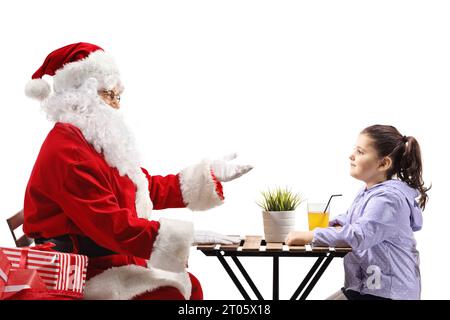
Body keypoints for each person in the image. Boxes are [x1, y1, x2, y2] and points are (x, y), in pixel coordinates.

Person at [23, 42, 252, 300]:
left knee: (189, 286)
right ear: (82, 96)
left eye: (117, 96)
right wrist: (185, 237)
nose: (116, 105)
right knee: (168, 294)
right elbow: (110, 225)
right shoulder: (68, 150)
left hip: (108, 259)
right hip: (80, 272)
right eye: (109, 95)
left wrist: (207, 175)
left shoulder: (93, 141)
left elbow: (143, 186)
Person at [285, 124, 430, 300]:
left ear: (383, 163)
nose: (351, 155)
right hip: (366, 287)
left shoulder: (388, 200)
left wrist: (312, 236)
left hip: (388, 293)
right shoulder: (368, 192)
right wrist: (334, 224)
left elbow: (359, 234)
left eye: (360, 152)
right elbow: (352, 219)